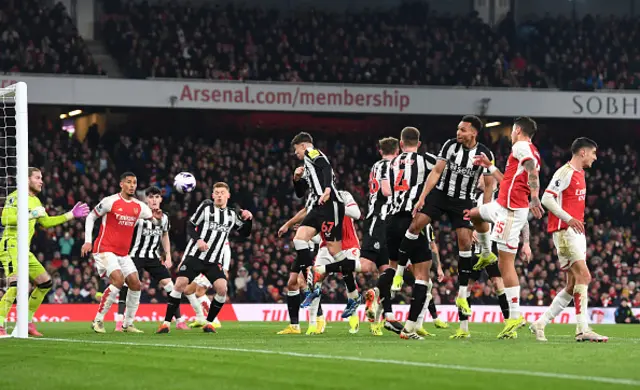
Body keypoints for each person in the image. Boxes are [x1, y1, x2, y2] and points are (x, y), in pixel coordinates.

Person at [394, 116, 496, 327]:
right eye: (458, 129)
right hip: (441, 195)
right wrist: (423, 197)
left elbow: (488, 186)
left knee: (465, 243)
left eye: (463, 130)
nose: (458, 133)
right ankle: (400, 272)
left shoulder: (484, 153)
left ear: (473, 133)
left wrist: (482, 212)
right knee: (415, 225)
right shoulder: (450, 145)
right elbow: (437, 171)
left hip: (463, 201)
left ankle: (461, 294)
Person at [465, 117, 544, 339]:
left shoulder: (521, 146)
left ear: (518, 130)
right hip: (500, 206)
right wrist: (489, 166)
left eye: (512, 130)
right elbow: (507, 180)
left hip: (510, 212)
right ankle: (485, 253)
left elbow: (531, 171)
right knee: (473, 214)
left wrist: (535, 196)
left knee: (506, 262)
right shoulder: (528, 150)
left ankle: (515, 316)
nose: (510, 134)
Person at [529, 137, 608, 342]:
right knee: (585, 276)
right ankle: (583, 329)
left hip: (575, 232)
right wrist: (569, 218)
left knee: (573, 285)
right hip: (565, 231)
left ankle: (541, 323)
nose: (595, 157)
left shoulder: (580, 174)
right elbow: (547, 198)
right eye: (593, 153)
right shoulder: (565, 172)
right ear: (582, 152)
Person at [0, 167, 89, 336]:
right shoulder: (15, 197)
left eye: (42, 178)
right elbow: (5, 219)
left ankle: (26, 322)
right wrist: (30, 214)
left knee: (45, 283)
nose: (41, 181)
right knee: (16, 284)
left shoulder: (36, 201)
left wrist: (70, 215)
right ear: (27, 180)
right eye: (38, 177)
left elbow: (46, 222)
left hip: (24, 251)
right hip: (10, 246)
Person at [156, 182, 252, 334]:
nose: (219, 195)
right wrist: (198, 240)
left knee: (222, 289)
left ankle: (209, 323)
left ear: (228, 195)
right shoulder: (206, 209)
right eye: (216, 193)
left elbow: (245, 233)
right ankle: (166, 323)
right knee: (180, 285)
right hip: (196, 257)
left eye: (222, 192)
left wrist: (249, 219)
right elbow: (190, 225)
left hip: (214, 261)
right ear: (213, 195)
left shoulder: (232, 215)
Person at [375, 126, 437, 340]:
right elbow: (443, 170)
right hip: (412, 220)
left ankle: (379, 296)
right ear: (419, 144)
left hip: (391, 220)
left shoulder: (389, 163)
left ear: (401, 144)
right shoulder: (425, 159)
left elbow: (384, 191)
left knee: (392, 266)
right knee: (422, 275)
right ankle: (409, 328)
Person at [289, 133, 354, 318]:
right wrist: (296, 178)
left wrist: (326, 190)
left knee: (335, 252)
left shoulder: (312, 153)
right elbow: (301, 193)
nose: (296, 154)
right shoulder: (308, 166)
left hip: (330, 203)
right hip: (319, 208)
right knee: (299, 239)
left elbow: (326, 167)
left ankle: (354, 290)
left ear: (303, 146)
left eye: (296, 150)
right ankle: (312, 284)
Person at [82, 172, 153, 334]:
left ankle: (128, 324)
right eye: (129, 182)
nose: (132, 185)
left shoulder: (139, 206)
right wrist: (87, 240)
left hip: (123, 253)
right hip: (104, 249)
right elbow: (91, 217)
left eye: (134, 183)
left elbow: (152, 216)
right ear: (121, 184)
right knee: (118, 280)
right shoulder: (110, 201)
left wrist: (157, 214)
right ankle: (98, 320)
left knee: (135, 284)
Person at [115, 186, 187, 331]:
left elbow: (165, 235)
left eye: (156, 197)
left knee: (170, 287)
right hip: (135, 255)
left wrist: (167, 255)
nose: (154, 200)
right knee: (126, 286)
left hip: (153, 257)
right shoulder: (138, 214)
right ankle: (119, 322)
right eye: (151, 197)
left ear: (160, 199)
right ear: (146, 199)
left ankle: (179, 321)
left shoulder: (165, 217)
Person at [303, 190, 362, 334]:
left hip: (349, 245)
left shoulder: (344, 195)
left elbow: (356, 213)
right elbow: (316, 232)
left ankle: (353, 318)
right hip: (326, 245)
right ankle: (312, 324)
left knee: (349, 275)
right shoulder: (314, 200)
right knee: (314, 282)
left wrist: (335, 206)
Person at [360, 137, 401, 334]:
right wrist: (402, 195)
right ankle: (326, 268)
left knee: (386, 270)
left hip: (383, 221)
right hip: (379, 220)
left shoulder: (376, 165)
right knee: (366, 266)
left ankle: (389, 317)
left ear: (380, 150)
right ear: (397, 151)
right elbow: (386, 190)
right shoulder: (389, 165)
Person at [275, 195, 325, 335]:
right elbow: (305, 210)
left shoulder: (325, 198)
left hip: (314, 249)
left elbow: (325, 232)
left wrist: (307, 232)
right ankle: (294, 326)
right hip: (303, 249)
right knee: (292, 283)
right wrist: (288, 225)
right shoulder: (313, 195)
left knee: (305, 282)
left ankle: (320, 318)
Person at [186, 243, 230, 329]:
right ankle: (200, 318)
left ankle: (214, 320)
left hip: (213, 266)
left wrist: (225, 268)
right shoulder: (199, 232)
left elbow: (226, 250)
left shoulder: (220, 231)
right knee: (188, 290)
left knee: (199, 292)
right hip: (200, 264)